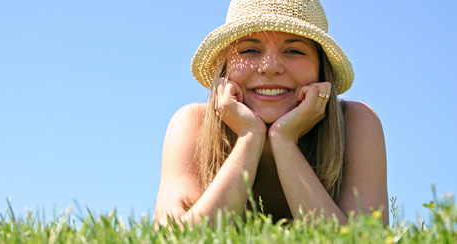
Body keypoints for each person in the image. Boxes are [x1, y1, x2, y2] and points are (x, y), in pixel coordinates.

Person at [154, 0, 388, 226]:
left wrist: (284, 141)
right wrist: (249, 137)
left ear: (320, 70)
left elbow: (365, 238)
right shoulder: (192, 123)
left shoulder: (357, 123)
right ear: (226, 67)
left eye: (294, 50)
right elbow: (173, 237)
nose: (270, 66)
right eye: (250, 50)